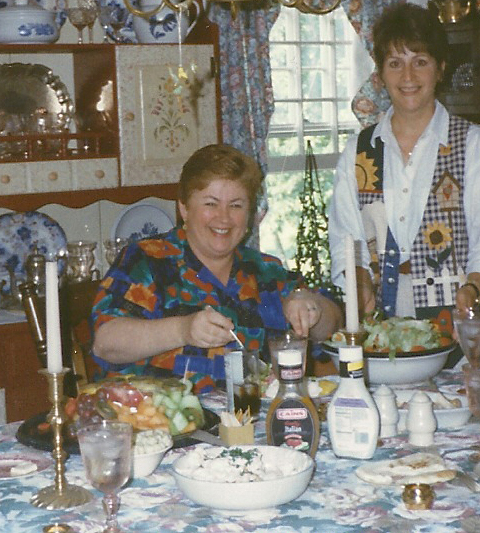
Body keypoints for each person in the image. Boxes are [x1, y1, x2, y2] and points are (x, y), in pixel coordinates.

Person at [327, 3, 480, 364]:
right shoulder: (360, 151)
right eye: (395, 63)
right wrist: (360, 283)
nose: (408, 75)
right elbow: (347, 241)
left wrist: (472, 289)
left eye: (420, 61)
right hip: (390, 321)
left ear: (440, 68)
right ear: (380, 73)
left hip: (468, 319)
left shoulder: (475, 147)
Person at [90, 144, 343, 393]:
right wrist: (182, 330)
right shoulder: (147, 260)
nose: (224, 218)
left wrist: (313, 308)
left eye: (236, 205)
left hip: (254, 417)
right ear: (184, 208)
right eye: (211, 204)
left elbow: (332, 326)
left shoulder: (267, 271)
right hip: (159, 417)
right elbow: (105, 342)